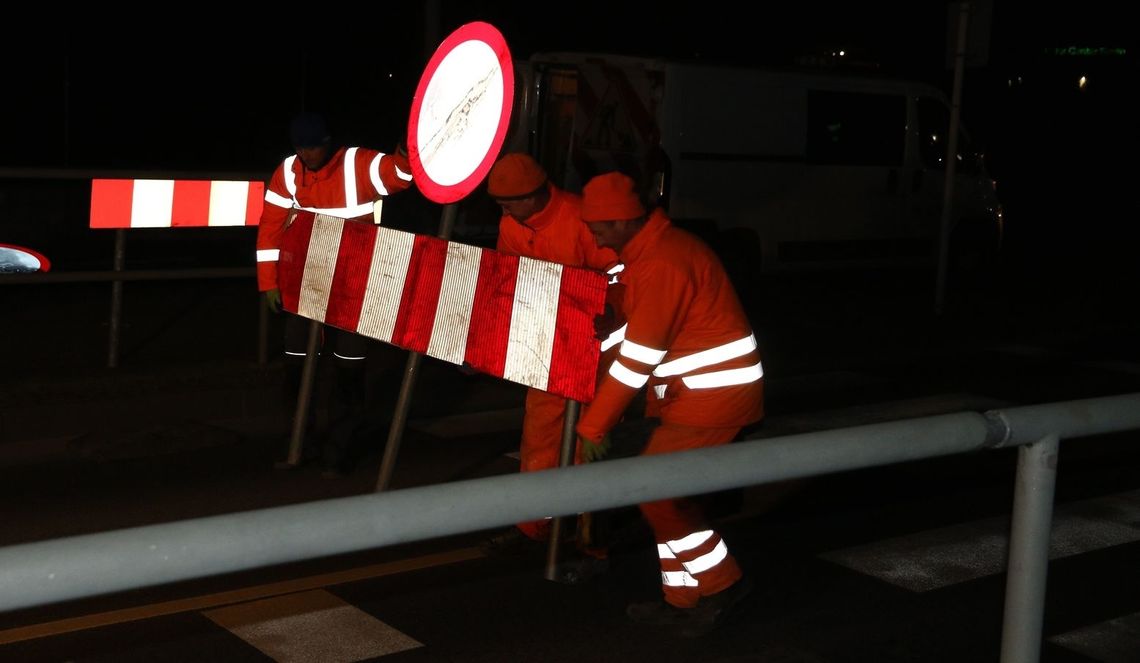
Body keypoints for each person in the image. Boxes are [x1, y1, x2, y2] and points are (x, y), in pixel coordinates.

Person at [574, 171, 764, 637]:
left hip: (714, 396)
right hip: (690, 394)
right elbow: (642, 331)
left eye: (598, 226)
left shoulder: (664, 262)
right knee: (661, 496)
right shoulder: (651, 255)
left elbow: (640, 356)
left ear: (623, 222)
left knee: (659, 494)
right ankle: (682, 598)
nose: (592, 234)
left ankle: (723, 585)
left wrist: (594, 425)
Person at [256, 112, 414, 477]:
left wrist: (407, 151)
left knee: (347, 371)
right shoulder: (289, 171)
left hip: (352, 288)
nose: (307, 154)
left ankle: (338, 454)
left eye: (313, 146)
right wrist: (269, 282)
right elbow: (270, 226)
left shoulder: (358, 163)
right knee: (296, 368)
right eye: (300, 148)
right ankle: (301, 444)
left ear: (328, 141)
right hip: (304, 285)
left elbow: (399, 176)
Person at [480, 153, 623, 555]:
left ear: (535, 195)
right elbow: (508, 280)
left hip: (599, 348)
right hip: (549, 344)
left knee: (590, 435)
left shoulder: (580, 217)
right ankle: (534, 525)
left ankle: (585, 527)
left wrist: (612, 310)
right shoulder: (513, 223)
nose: (504, 213)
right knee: (540, 434)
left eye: (509, 204)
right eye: (501, 206)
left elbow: (620, 274)